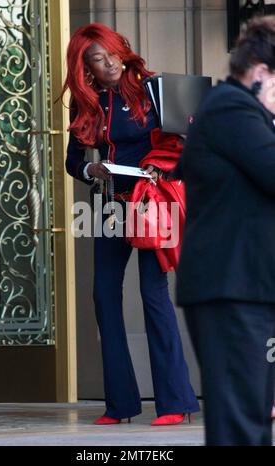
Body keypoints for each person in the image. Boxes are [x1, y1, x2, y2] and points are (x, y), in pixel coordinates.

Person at [61, 23, 199, 425]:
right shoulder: (86, 101)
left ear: (122, 48)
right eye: (97, 61)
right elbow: (73, 162)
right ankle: (120, 404)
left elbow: (186, 144)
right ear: (85, 68)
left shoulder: (155, 88)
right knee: (104, 296)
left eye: (110, 53)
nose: (109, 64)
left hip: (152, 204)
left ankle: (176, 402)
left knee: (153, 294)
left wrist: (158, 168)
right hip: (110, 207)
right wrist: (92, 171)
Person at [173, 16, 275, 445]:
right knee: (241, 426)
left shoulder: (245, 110)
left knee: (251, 420)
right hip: (231, 291)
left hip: (248, 289)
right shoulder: (231, 107)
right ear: (261, 72)